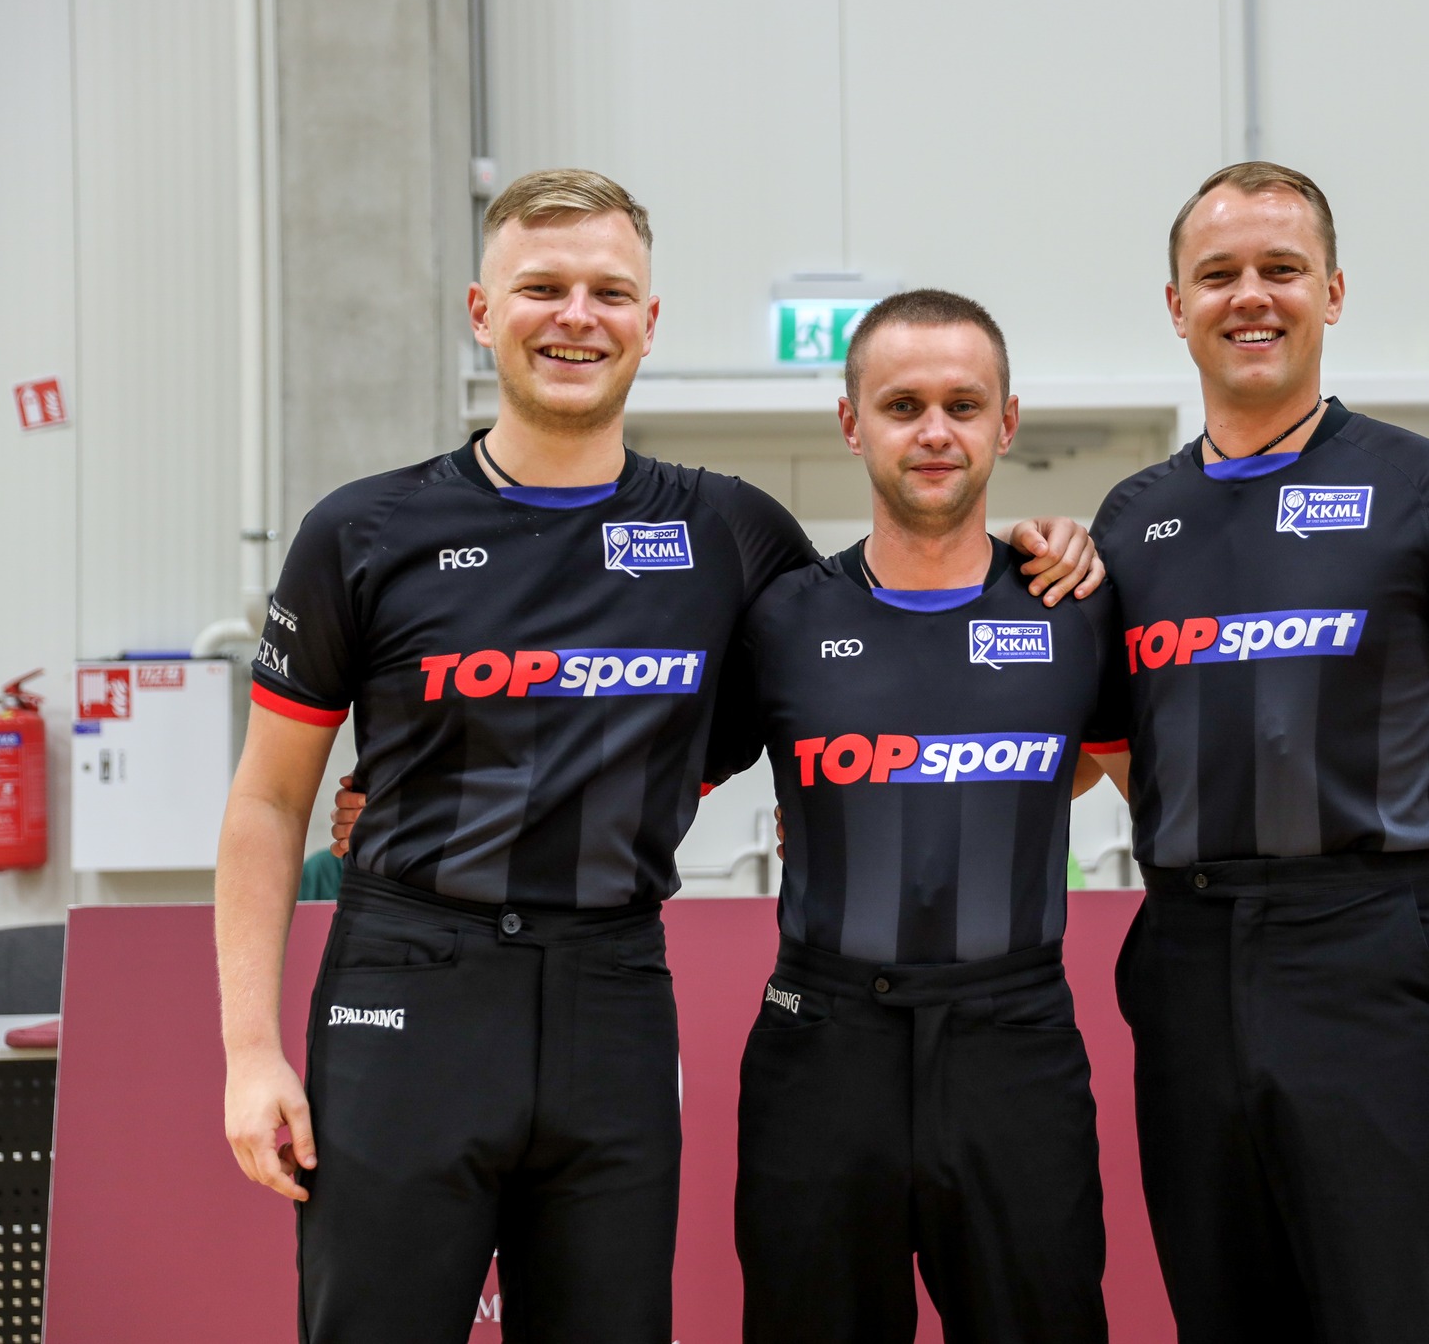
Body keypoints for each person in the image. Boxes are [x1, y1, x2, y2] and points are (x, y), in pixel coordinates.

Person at [216, 169, 1098, 1344]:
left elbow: (884, 666)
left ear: (649, 319)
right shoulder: (364, 530)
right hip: (409, 985)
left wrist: (1039, 552)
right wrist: (249, 1052)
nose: (576, 316)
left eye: (608, 291)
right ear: (481, 313)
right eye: (542, 288)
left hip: (612, 995)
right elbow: (269, 802)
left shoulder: (731, 534)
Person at [1081, 161, 1429, 1343]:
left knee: (1397, 1315)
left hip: (1368, 950)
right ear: (1175, 306)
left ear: (1332, 291)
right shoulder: (1129, 522)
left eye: (1281, 269)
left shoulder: (1428, 490)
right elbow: (1102, 749)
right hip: (1186, 959)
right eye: (1218, 274)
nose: (1249, 296)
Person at [717, 289, 1126, 1342]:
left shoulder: (1074, 607)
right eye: (902, 405)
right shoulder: (778, 618)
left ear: (1007, 421)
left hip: (1015, 1050)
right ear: (851, 423)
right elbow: (641, 768)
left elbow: (1112, 775)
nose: (935, 431)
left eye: (962, 404)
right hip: (819, 1052)